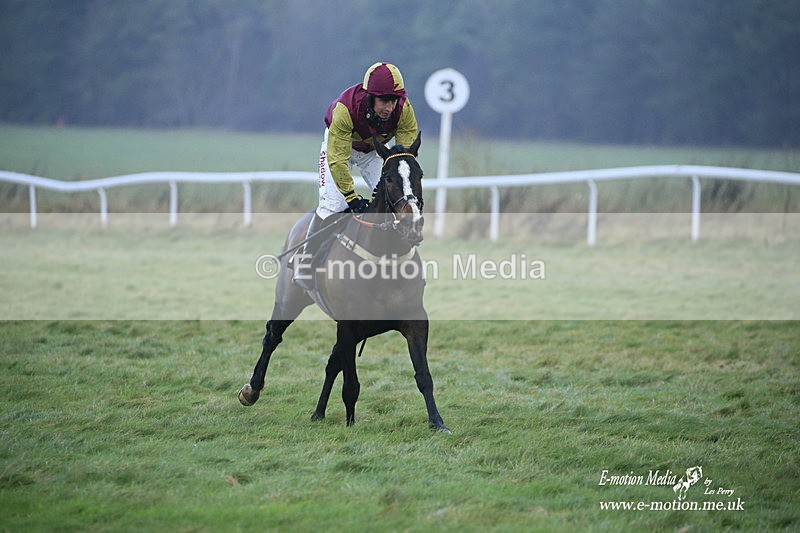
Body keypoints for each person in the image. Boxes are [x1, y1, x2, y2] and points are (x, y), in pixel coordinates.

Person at [293, 62, 419, 289]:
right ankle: (305, 260)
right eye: (384, 100)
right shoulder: (345, 109)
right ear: (370, 97)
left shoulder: (403, 108)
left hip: (373, 151)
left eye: (393, 100)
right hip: (340, 150)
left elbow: (406, 145)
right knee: (334, 204)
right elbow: (337, 160)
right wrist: (351, 197)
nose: (389, 108)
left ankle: (397, 258)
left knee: (393, 199)